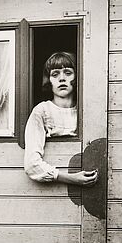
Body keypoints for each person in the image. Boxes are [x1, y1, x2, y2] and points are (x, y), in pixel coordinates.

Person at [24, 52, 98, 186]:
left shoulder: (87, 110)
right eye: (55, 74)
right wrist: (70, 178)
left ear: (77, 77)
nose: (62, 79)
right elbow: (31, 164)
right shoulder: (41, 111)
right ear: (49, 80)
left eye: (68, 73)